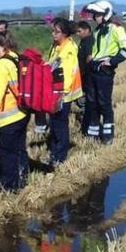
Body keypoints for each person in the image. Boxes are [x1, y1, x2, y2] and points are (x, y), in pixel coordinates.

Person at [83, 0, 126, 144]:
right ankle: (92, 134)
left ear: (106, 14)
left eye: (97, 14)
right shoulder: (99, 30)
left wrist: (111, 62)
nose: (94, 17)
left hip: (105, 72)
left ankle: (107, 136)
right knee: (92, 103)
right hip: (94, 69)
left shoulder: (116, 28)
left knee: (104, 103)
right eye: (94, 15)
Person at [0, 32, 29, 192]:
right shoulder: (16, 57)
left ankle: (9, 186)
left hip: (9, 117)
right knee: (19, 149)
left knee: (6, 152)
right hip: (22, 112)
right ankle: (23, 179)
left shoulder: (3, 64)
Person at [45, 18, 82, 165]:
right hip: (55, 90)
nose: (53, 34)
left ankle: (60, 156)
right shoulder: (58, 45)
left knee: (60, 124)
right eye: (53, 31)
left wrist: (61, 93)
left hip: (63, 93)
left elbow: (66, 73)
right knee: (54, 123)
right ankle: (55, 152)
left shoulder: (68, 49)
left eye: (57, 31)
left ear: (65, 33)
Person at [75, 20, 96, 135]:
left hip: (87, 75)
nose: (77, 33)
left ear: (87, 30)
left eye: (79, 31)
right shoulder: (83, 41)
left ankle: (88, 121)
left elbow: (89, 57)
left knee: (85, 98)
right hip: (82, 74)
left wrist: (85, 71)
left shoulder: (89, 41)